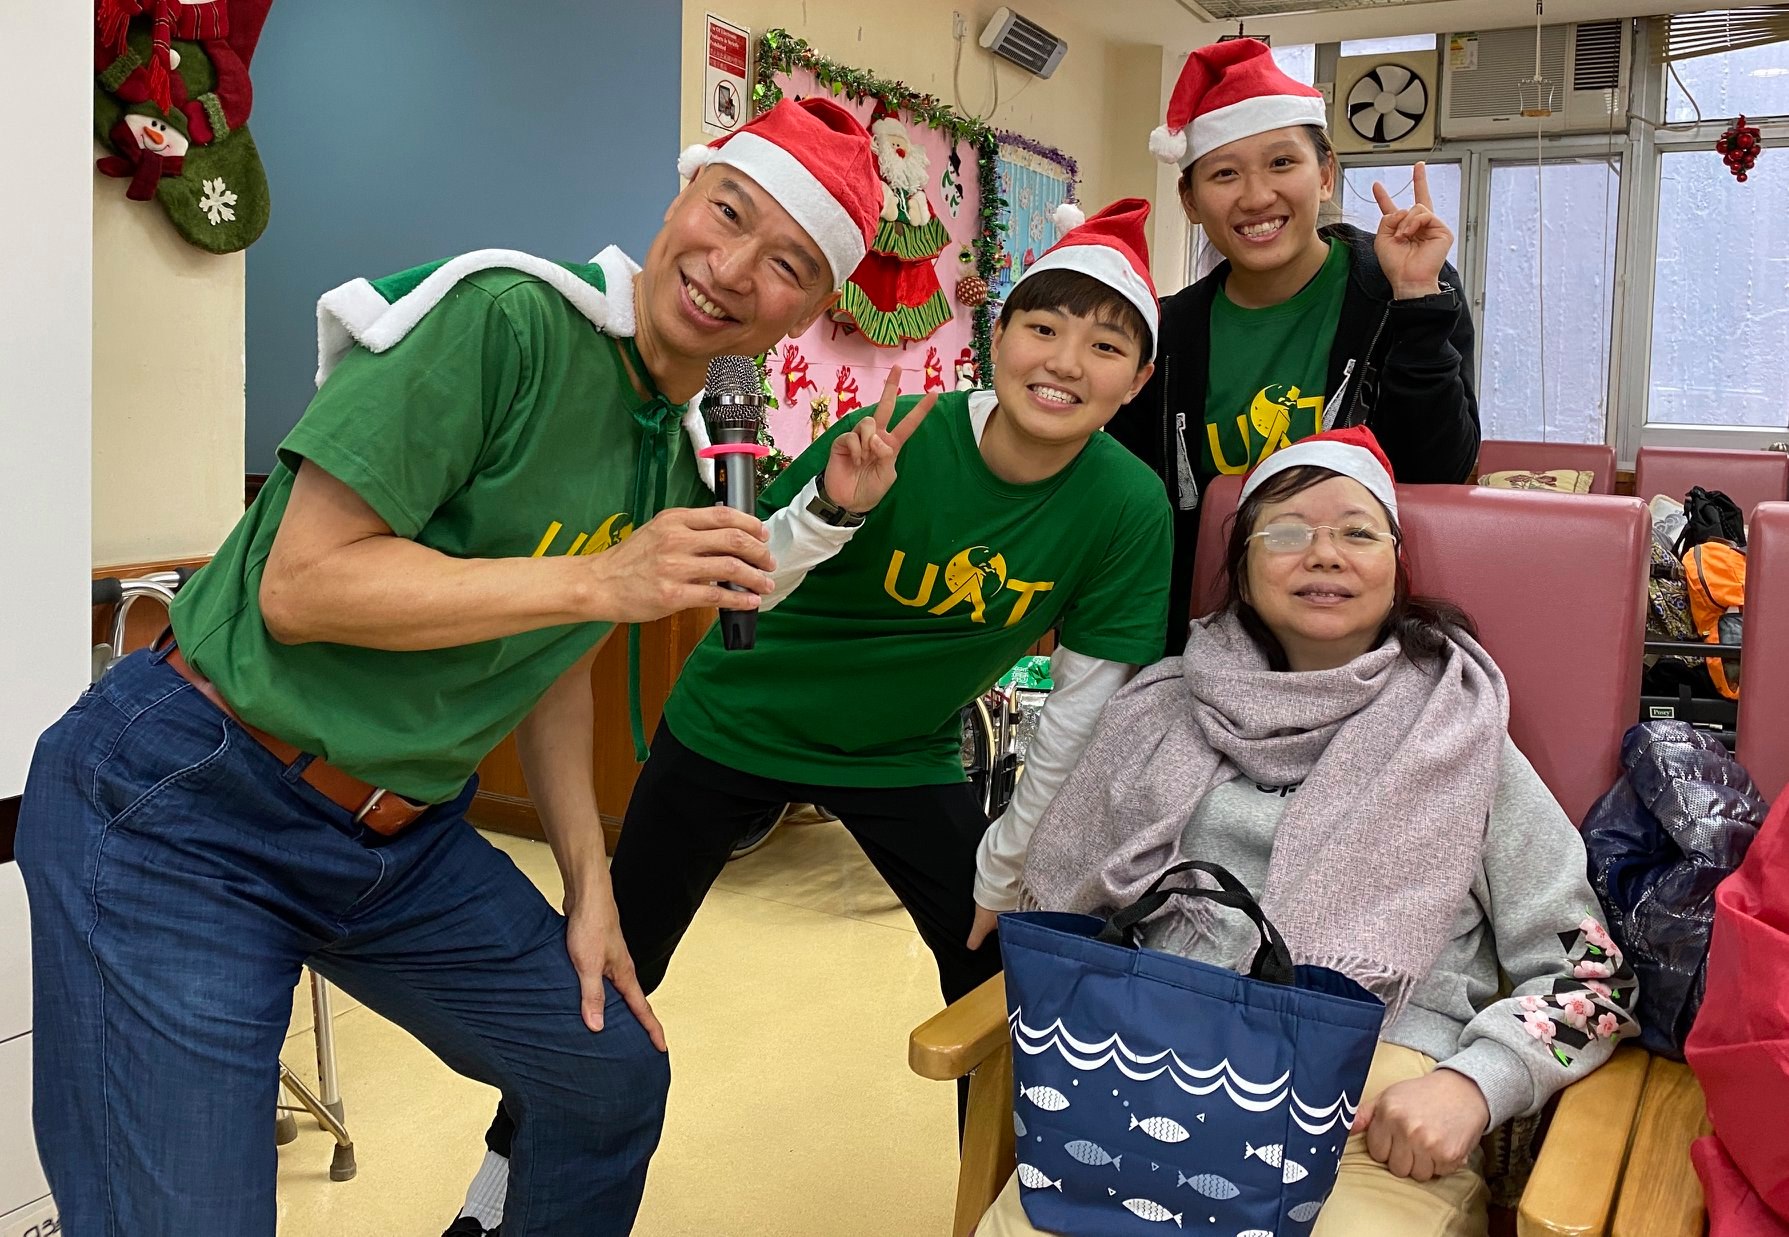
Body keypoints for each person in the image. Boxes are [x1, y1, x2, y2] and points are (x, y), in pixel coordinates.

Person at [15, 96, 889, 1237]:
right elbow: (302, 587)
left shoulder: (678, 449)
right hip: (189, 797)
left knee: (607, 1076)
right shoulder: (502, 320)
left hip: (396, 840)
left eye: (785, 264)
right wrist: (598, 580)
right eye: (726, 212)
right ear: (683, 194)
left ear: (809, 313)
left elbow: (554, 665)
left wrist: (589, 887)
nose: (730, 269)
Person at [459, 200, 1176, 1228]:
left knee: (999, 974)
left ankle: (1011, 1213)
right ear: (1000, 335)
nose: (1065, 361)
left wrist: (1006, 863)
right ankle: (497, 1193)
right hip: (736, 719)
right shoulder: (896, 436)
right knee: (613, 966)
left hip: (901, 752)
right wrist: (837, 507)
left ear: (1138, 379)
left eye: (1105, 345)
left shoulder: (1127, 506)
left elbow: (1078, 713)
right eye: (1042, 326)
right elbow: (746, 582)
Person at [977, 427, 1637, 1237]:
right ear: (1243, 570)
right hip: (1142, 1083)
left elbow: (1594, 982)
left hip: (1366, 1123)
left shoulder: (1460, 741)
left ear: (1395, 567)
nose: (1323, 553)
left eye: (1357, 532)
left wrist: (1472, 1084)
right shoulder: (1157, 711)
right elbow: (1070, 912)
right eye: (1287, 531)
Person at [1106, 38, 1480, 650]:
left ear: (1325, 174)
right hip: (1202, 638)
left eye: (1282, 162)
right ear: (1190, 200)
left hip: (1365, 637)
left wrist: (1416, 300)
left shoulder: (1399, 290)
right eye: (1224, 173)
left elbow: (1439, 472)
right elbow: (1134, 501)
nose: (1256, 196)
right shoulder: (1165, 332)